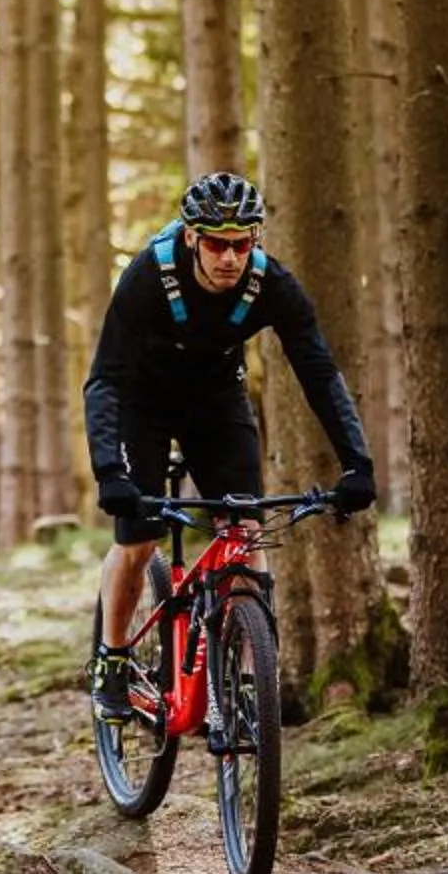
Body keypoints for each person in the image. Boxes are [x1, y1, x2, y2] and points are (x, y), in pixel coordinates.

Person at [85, 172, 375, 721]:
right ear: (192, 237)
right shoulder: (149, 275)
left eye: (242, 243)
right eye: (218, 244)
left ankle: (246, 684)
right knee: (140, 540)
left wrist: (357, 462)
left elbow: (318, 371)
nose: (230, 257)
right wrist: (109, 474)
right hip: (141, 401)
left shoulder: (271, 283)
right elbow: (104, 380)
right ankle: (113, 658)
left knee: (243, 530)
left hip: (216, 400)